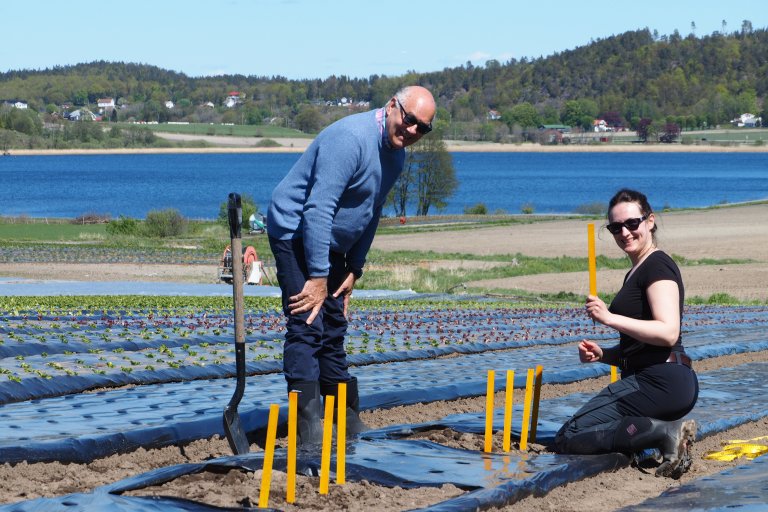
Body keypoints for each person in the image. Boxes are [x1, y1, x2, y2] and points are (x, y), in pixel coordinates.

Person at [267, 85, 436, 445]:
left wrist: (353, 268)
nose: (411, 132)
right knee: (308, 321)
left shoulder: (396, 155)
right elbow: (318, 209)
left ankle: (343, 414)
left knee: (334, 326)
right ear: (392, 106)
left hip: (331, 240)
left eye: (422, 128)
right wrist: (316, 276)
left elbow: (371, 210)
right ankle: (308, 427)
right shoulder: (350, 140)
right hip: (296, 231)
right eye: (408, 121)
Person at [554, 188, 699, 479]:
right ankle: (658, 440)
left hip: (658, 380)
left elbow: (668, 332)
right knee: (592, 430)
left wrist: (609, 318)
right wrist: (604, 355)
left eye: (632, 223)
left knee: (570, 434)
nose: (625, 232)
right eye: (616, 227)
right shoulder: (637, 270)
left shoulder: (657, 265)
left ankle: (665, 433)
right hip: (665, 379)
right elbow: (641, 346)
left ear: (650, 221)